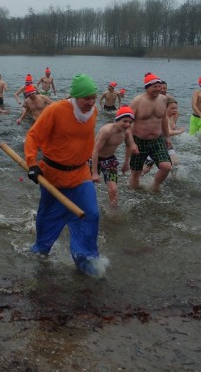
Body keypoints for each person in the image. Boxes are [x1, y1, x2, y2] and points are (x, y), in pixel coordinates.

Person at [24, 73, 101, 275]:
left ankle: (85, 257)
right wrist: (32, 163)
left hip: (81, 174)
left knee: (91, 214)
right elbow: (33, 136)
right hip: (54, 176)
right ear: (76, 97)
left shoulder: (94, 112)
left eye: (94, 97)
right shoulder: (55, 110)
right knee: (48, 218)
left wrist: (93, 167)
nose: (91, 102)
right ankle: (40, 252)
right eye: (87, 98)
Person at [127, 72, 172, 192]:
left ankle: (154, 187)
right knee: (136, 172)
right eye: (155, 87)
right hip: (139, 141)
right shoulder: (137, 101)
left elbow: (163, 119)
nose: (158, 89)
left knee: (166, 166)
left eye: (159, 86)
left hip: (157, 140)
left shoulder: (163, 99)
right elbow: (127, 123)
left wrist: (167, 137)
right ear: (147, 87)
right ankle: (133, 194)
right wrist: (131, 143)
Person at [91, 105, 136, 210]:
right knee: (87, 187)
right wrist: (94, 172)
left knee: (113, 189)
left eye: (130, 122)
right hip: (93, 159)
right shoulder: (107, 131)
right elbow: (95, 151)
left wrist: (126, 163)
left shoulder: (127, 131)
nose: (127, 124)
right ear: (117, 119)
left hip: (109, 159)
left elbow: (129, 145)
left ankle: (113, 212)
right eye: (124, 121)